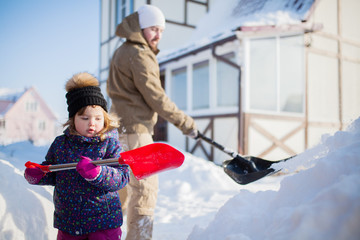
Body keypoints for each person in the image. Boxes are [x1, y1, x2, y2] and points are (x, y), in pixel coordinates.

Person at [107, 4, 198, 240]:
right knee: (144, 190)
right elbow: (156, 96)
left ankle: (106, 234)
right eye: (153, 29)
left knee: (122, 189)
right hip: (135, 130)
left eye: (161, 30)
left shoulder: (122, 50)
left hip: (119, 130)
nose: (158, 35)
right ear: (140, 27)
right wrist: (186, 123)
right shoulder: (139, 53)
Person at [24, 72, 130, 240]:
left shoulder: (110, 144)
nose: (92, 123)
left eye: (98, 118)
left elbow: (122, 177)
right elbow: (53, 173)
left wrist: (98, 174)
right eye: (85, 117)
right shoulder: (61, 144)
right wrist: (37, 175)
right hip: (69, 222)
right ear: (73, 119)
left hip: (103, 222)